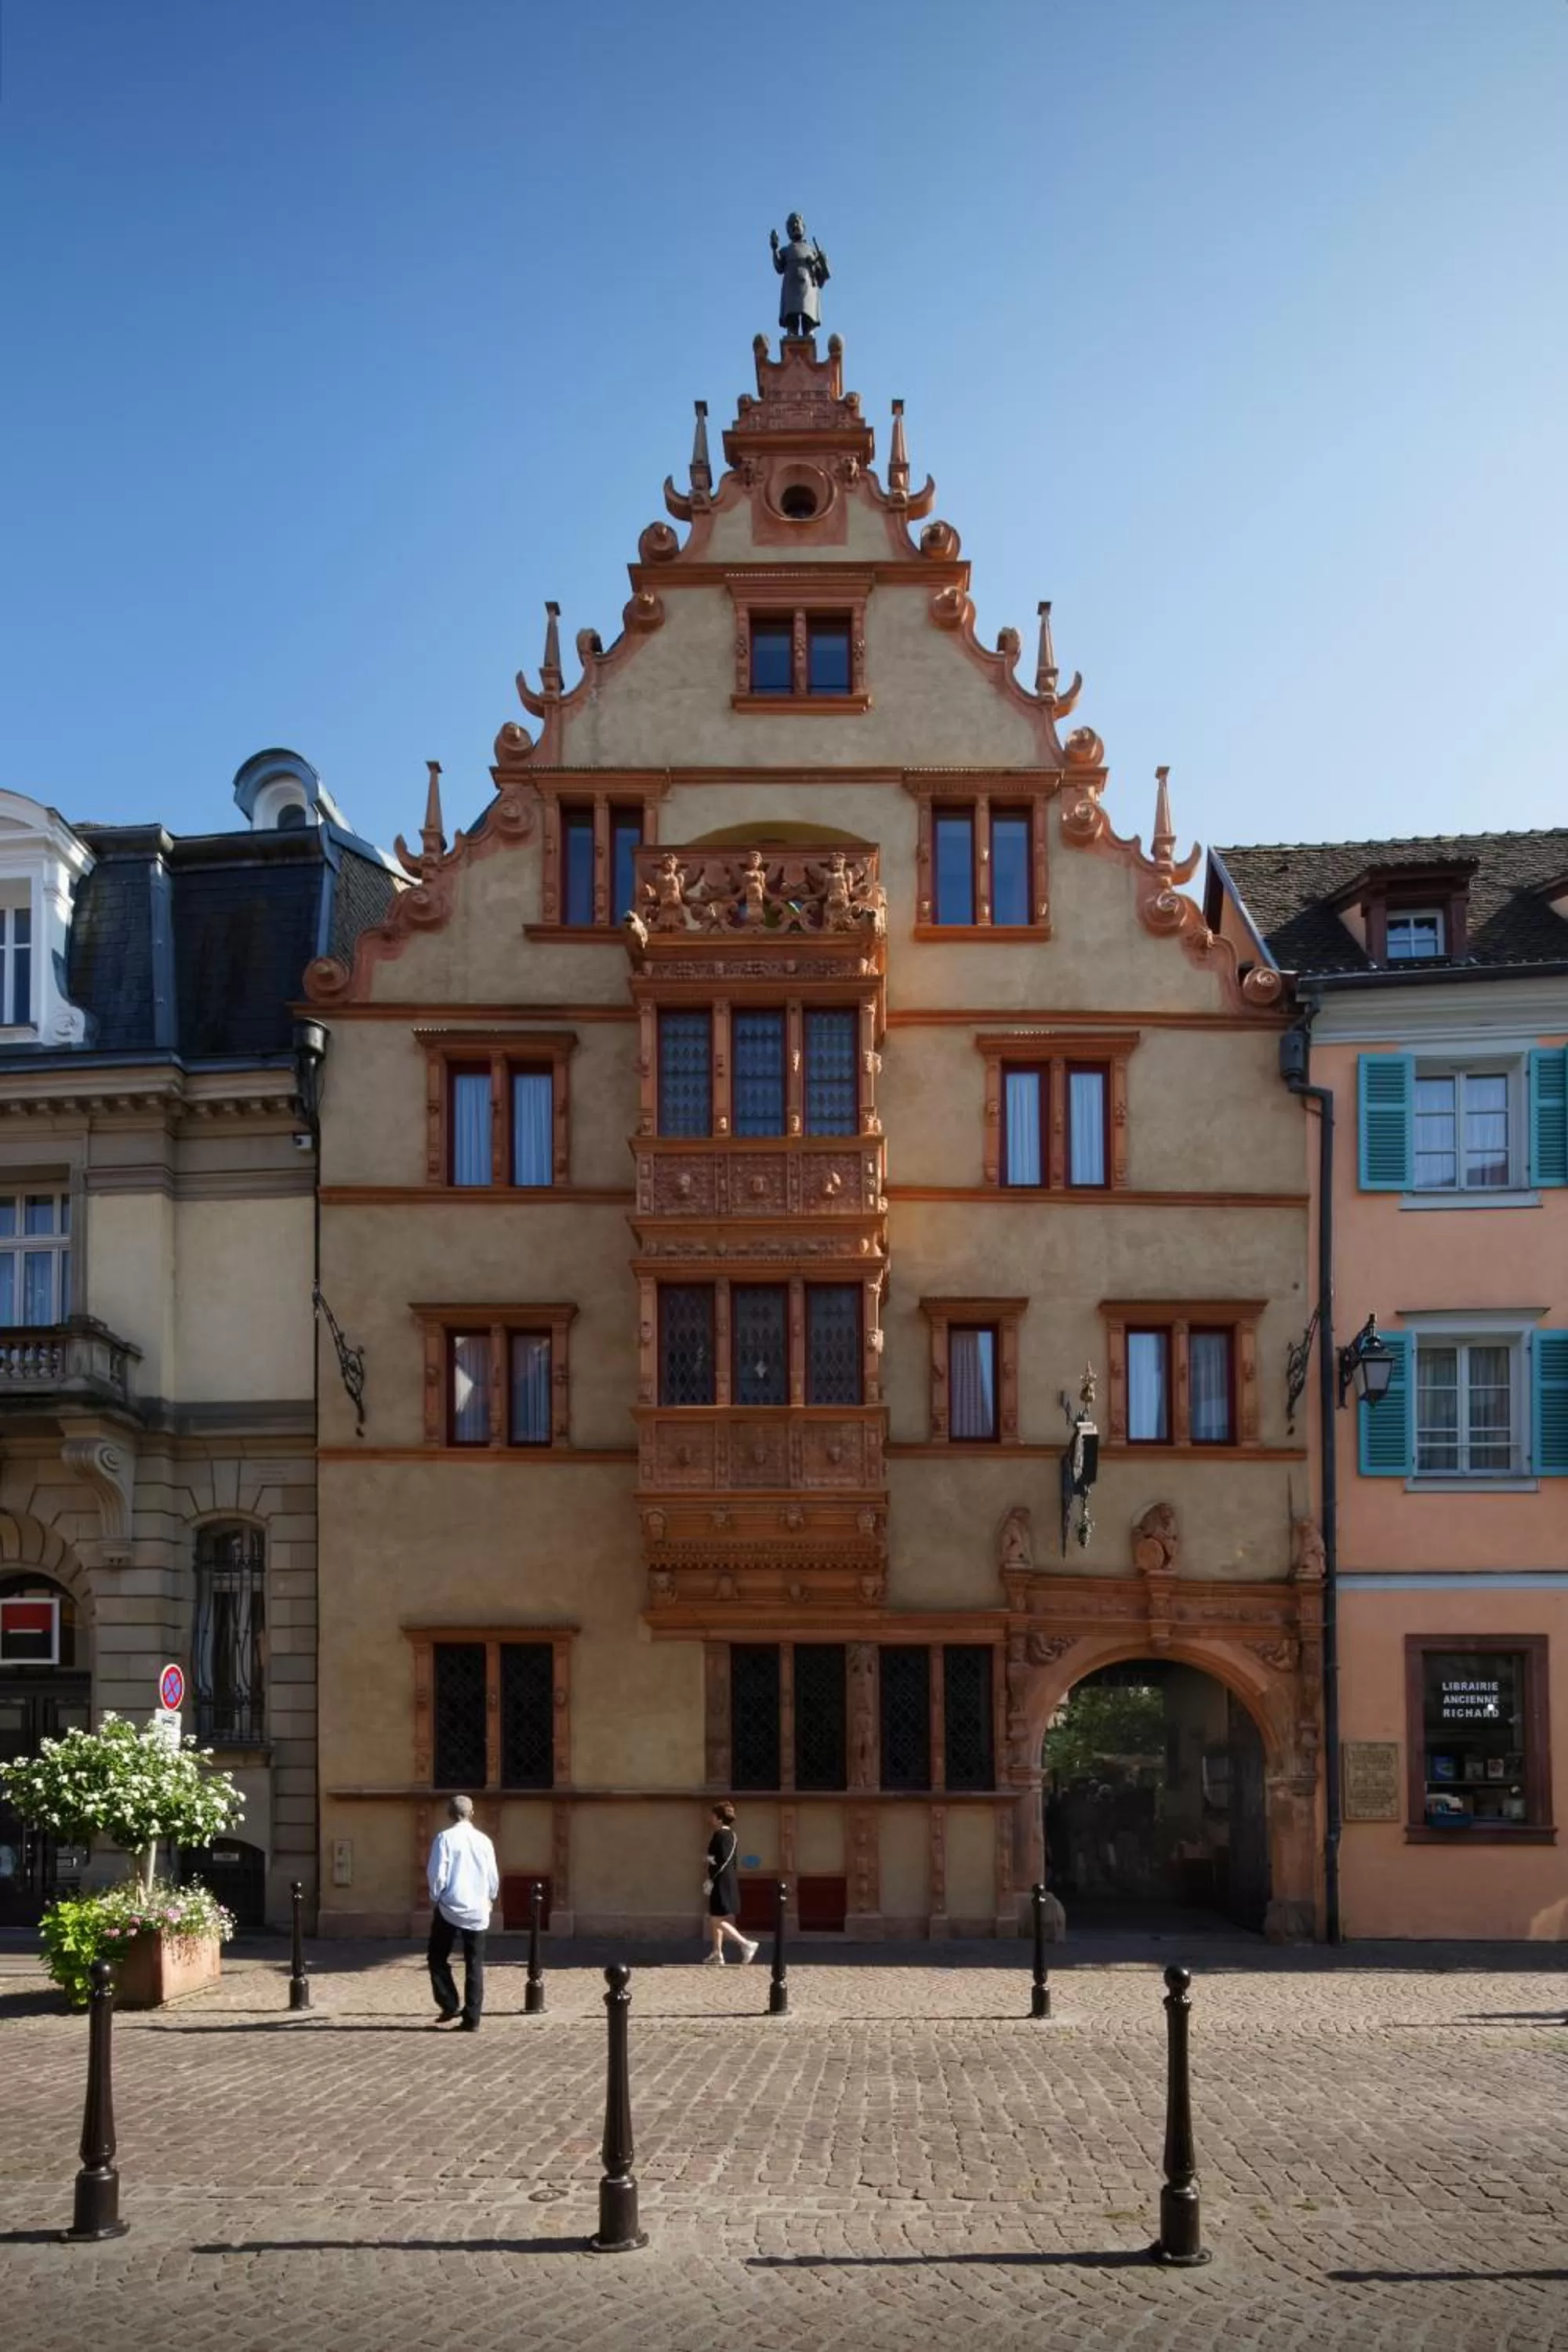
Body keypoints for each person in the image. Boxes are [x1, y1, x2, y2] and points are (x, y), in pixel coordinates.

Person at [426, 1793, 499, 2030]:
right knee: (474, 1963)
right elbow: (493, 1876)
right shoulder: (484, 1840)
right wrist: (489, 1899)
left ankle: (448, 2002)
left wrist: (436, 1897)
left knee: (437, 1957)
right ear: (472, 1813)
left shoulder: (445, 1838)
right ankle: (472, 2017)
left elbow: (438, 1873)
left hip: (450, 1906)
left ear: (450, 1814)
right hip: (478, 1908)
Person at [702, 1800, 758, 1965]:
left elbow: (722, 1859)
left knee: (715, 1919)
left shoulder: (721, 1835)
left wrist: (708, 1859)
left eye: (713, 1816)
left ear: (719, 1818)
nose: (711, 1819)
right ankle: (717, 1953)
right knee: (716, 1915)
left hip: (720, 1880)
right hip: (726, 1879)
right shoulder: (732, 1835)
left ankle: (746, 1944)